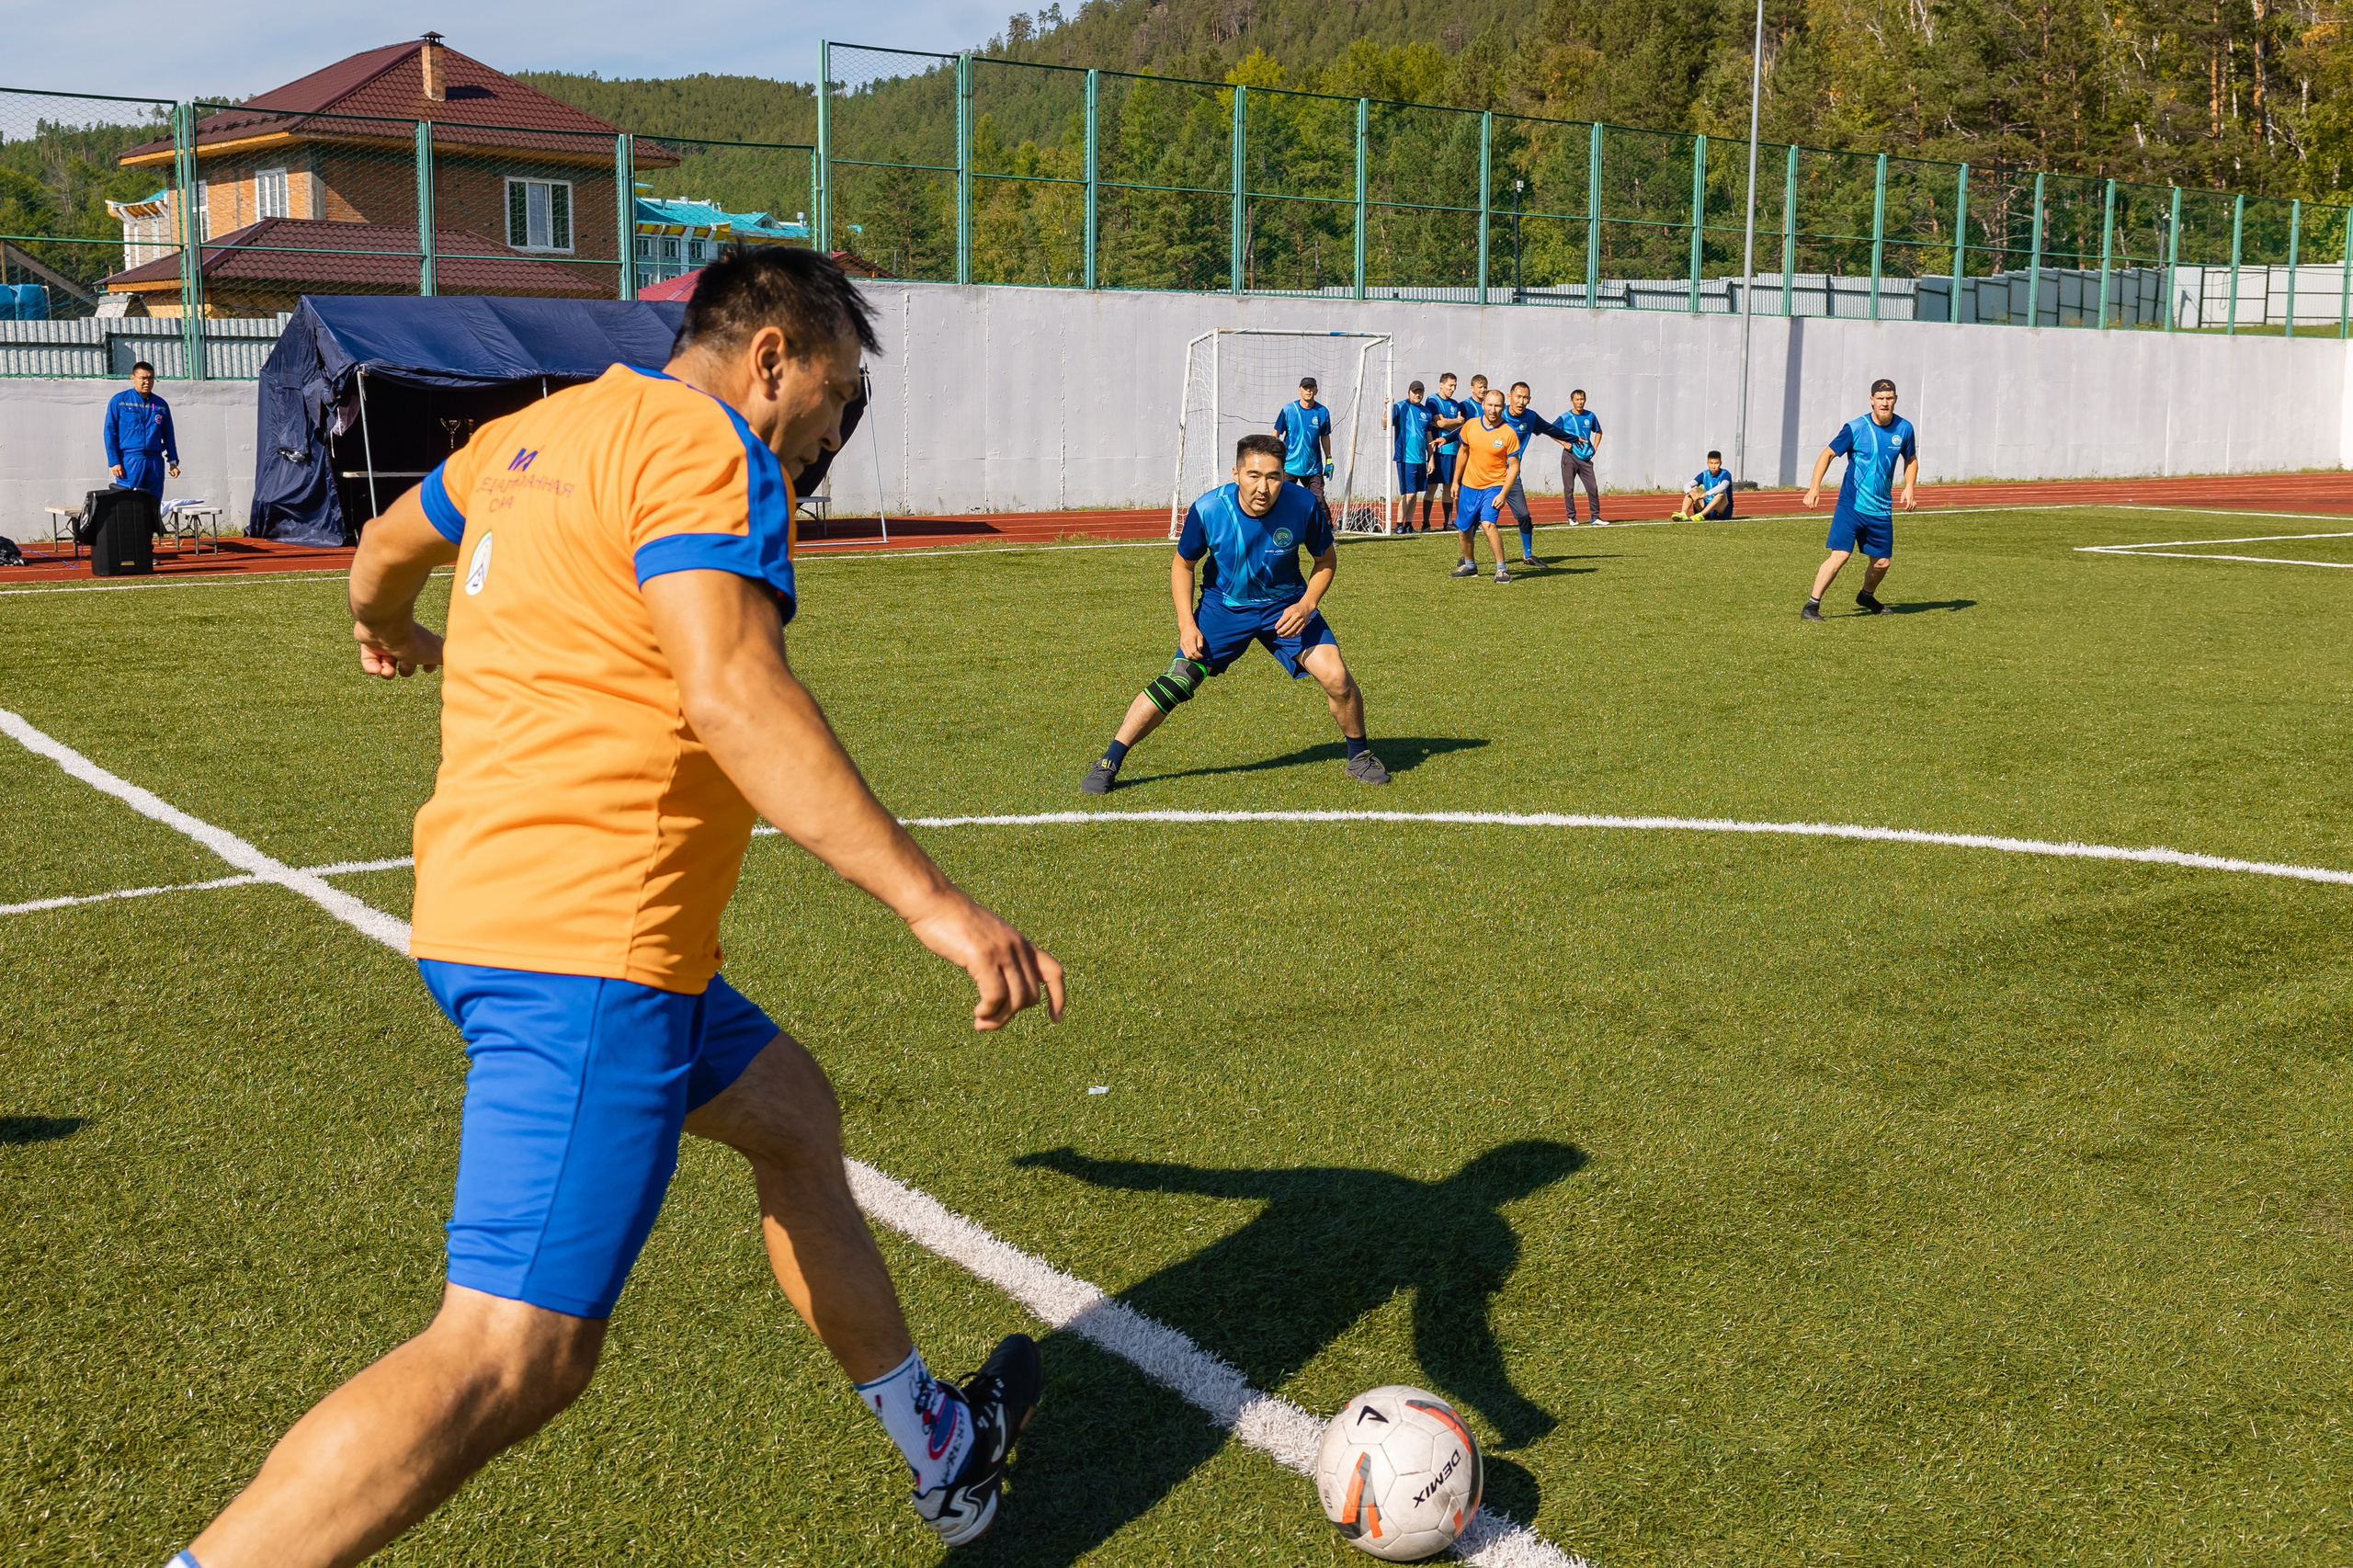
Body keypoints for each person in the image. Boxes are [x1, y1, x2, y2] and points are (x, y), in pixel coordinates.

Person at [162, 250, 1064, 1568]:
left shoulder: (538, 431)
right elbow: (734, 691)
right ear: (770, 357)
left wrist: (390, 624)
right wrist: (935, 903)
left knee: (794, 1116)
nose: (831, 430)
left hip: (490, 908)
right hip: (590, 948)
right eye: (835, 393)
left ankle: (937, 1443)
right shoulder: (709, 450)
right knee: (512, 1351)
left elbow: (381, 549)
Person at [1081, 433, 1389, 794]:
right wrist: (1186, 624)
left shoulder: (1303, 504)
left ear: (1284, 476)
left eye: (1273, 477)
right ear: (1236, 474)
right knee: (1179, 681)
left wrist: (1307, 604)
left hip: (1285, 607)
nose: (1263, 487)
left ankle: (1359, 756)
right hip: (1224, 608)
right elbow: (1183, 565)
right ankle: (1109, 761)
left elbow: (1326, 561)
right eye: (1253, 476)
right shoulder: (1209, 509)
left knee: (1337, 677)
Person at [1802, 377, 1917, 620]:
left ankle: (1866, 596)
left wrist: (1909, 487)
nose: (1885, 403)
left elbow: (1910, 459)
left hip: (1881, 508)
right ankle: (1811, 606)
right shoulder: (1855, 428)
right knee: (1840, 555)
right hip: (1851, 506)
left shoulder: (1904, 428)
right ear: (1871, 400)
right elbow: (1827, 454)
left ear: (1895, 399)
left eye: (1889, 398)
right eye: (1880, 398)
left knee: (1882, 563)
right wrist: (1814, 488)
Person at [1449, 387, 1521, 585]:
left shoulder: (1508, 432)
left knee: (1488, 524)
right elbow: (1463, 453)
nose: (1493, 409)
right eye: (1489, 405)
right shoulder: (1470, 425)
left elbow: (1514, 466)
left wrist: (1503, 493)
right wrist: (1455, 481)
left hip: (1494, 486)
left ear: (1503, 407)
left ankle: (1502, 570)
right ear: (1483, 405)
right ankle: (1470, 565)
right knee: (1464, 528)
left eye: (1497, 406)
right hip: (1469, 486)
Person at [1500, 381, 1574, 567]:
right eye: (1518, 396)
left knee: (1524, 516)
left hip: (1512, 476)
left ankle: (1528, 555)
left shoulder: (1530, 417)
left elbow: (1550, 429)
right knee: (1477, 517)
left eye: (1525, 398)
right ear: (1509, 397)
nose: (1521, 401)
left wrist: (1572, 438)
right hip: (1489, 475)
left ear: (1529, 400)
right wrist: (1447, 438)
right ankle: (1467, 558)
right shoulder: (1497, 414)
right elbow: (1471, 429)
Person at [105, 360, 179, 498]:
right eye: (143, 378)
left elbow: (168, 434)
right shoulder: (120, 401)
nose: (147, 382)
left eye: (150, 378)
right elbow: (110, 432)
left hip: (154, 460)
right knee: (128, 501)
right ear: (133, 378)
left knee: (153, 500)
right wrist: (114, 461)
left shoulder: (160, 404)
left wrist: (173, 461)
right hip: (130, 460)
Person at [1273, 376, 1334, 504]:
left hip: (1313, 467)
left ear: (1316, 390)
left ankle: (1323, 519)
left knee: (1319, 501)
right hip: (1289, 466)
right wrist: (1273, 457)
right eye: (1305, 388)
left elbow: (1325, 436)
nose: (1308, 390)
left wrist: (1329, 460)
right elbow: (1276, 433)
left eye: (1311, 387)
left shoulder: (1322, 412)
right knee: (1281, 500)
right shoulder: (1289, 410)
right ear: (1299, 390)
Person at [1425, 372, 1470, 532]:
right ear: (1441, 384)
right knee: (1432, 486)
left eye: (1455, 386)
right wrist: (1456, 421)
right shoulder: (1433, 400)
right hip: (1438, 450)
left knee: (1449, 486)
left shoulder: (1455, 404)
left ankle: (1448, 522)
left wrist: (1450, 424)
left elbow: (1458, 428)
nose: (1453, 389)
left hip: (1452, 450)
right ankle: (1426, 523)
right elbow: (1441, 423)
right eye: (1450, 385)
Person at [1387, 380, 1435, 531]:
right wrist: (1387, 409)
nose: (1417, 394)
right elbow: (1385, 424)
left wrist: (1431, 458)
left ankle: (1408, 524)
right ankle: (1398, 525)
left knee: (1415, 493)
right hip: (1405, 458)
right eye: (1415, 392)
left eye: (1420, 392)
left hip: (1420, 459)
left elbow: (1428, 437)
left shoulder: (1427, 412)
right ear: (1409, 392)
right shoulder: (1400, 407)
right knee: (1410, 493)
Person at [1553, 389, 1604, 527]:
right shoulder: (1565, 417)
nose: (1580, 402)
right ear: (1572, 401)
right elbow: (1551, 431)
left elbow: (1599, 431)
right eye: (1577, 400)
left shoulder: (1590, 416)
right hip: (1570, 456)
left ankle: (1595, 517)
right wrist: (1564, 443)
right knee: (1569, 488)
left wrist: (1595, 447)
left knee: (1592, 487)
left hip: (1585, 458)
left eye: (1582, 399)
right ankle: (1571, 517)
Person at [1675, 451, 1735, 519]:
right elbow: (1687, 485)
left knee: (1721, 493)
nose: (1714, 466)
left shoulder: (1726, 474)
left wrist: (1706, 493)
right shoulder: (1704, 474)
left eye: (1716, 463)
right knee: (1692, 490)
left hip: (1722, 510)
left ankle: (1701, 515)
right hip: (1707, 507)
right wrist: (1691, 492)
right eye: (1711, 463)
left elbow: (1723, 486)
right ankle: (1683, 514)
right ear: (1707, 463)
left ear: (1720, 463)